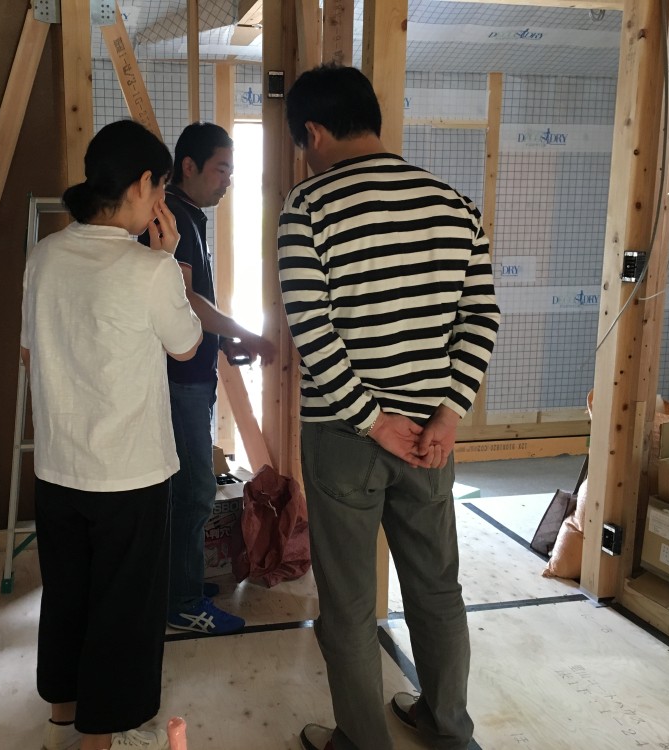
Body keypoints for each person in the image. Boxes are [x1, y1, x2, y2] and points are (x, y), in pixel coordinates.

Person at [277, 65, 500, 750]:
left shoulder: (307, 208)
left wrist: (372, 420)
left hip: (345, 437)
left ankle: (362, 742)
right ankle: (447, 726)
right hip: (431, 437)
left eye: (302, 144)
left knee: (347, 603)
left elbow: (312, 332)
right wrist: (449, 413)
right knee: (437, 589)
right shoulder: (454, 205)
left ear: (314, 132)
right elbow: (481, 318)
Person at [21, 119, 202, 750]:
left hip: (57, 468)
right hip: (130, 473)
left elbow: (28, 353)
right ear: (142, 183)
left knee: (67, 598)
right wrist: (171, 265)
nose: (162, 203)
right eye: (161, 188)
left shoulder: (44, 256)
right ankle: (102, 742)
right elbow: (186, 345)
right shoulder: (148, 269)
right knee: (125, 611)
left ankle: (62, 721)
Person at [139, 122, 275, 636]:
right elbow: (185, 299)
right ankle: (182, 601)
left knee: (189, 487)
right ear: (189, 166)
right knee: (194, 490)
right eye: (221, 169)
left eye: (232, 171)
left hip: (192, 376)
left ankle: (183, 581)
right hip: (179, 382)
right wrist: (245, 332)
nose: (228, 181)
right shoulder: (170, 216)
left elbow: (193, 308)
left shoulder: (189, 216)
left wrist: (224, 341)